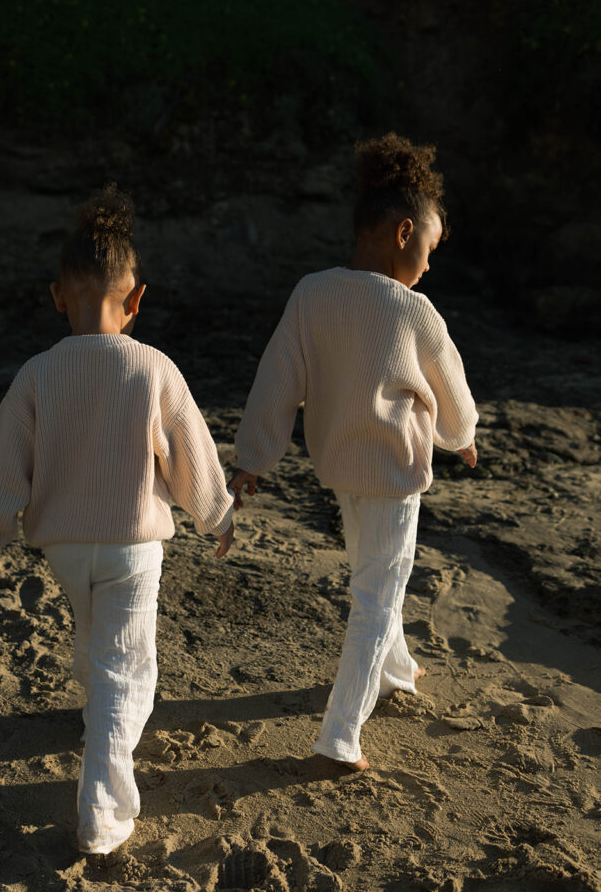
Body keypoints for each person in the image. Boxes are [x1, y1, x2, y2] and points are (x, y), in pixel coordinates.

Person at [0, 183, 234, 855]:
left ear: (58, 296)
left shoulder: (38, 373)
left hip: (63, 546)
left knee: (93, 637)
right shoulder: (152, 367)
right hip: (133, 545)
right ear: (136, 300)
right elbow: (189, 454)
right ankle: (103, 815)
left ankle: (95, 715)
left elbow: (3, 462)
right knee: (125, 667)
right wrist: (216, 515)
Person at [228, 133, 478, 772]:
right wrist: (462, 437)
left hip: (340, 469)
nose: (429, 266)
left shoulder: (312, 294)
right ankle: (340, 737)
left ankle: (395, 668)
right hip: (394, 475)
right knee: (378, 594)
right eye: (429, 250)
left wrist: (253, 456)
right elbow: (454, 397)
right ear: (403, 233)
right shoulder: (416, 312)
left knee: (374, 576)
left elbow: (277, 380)